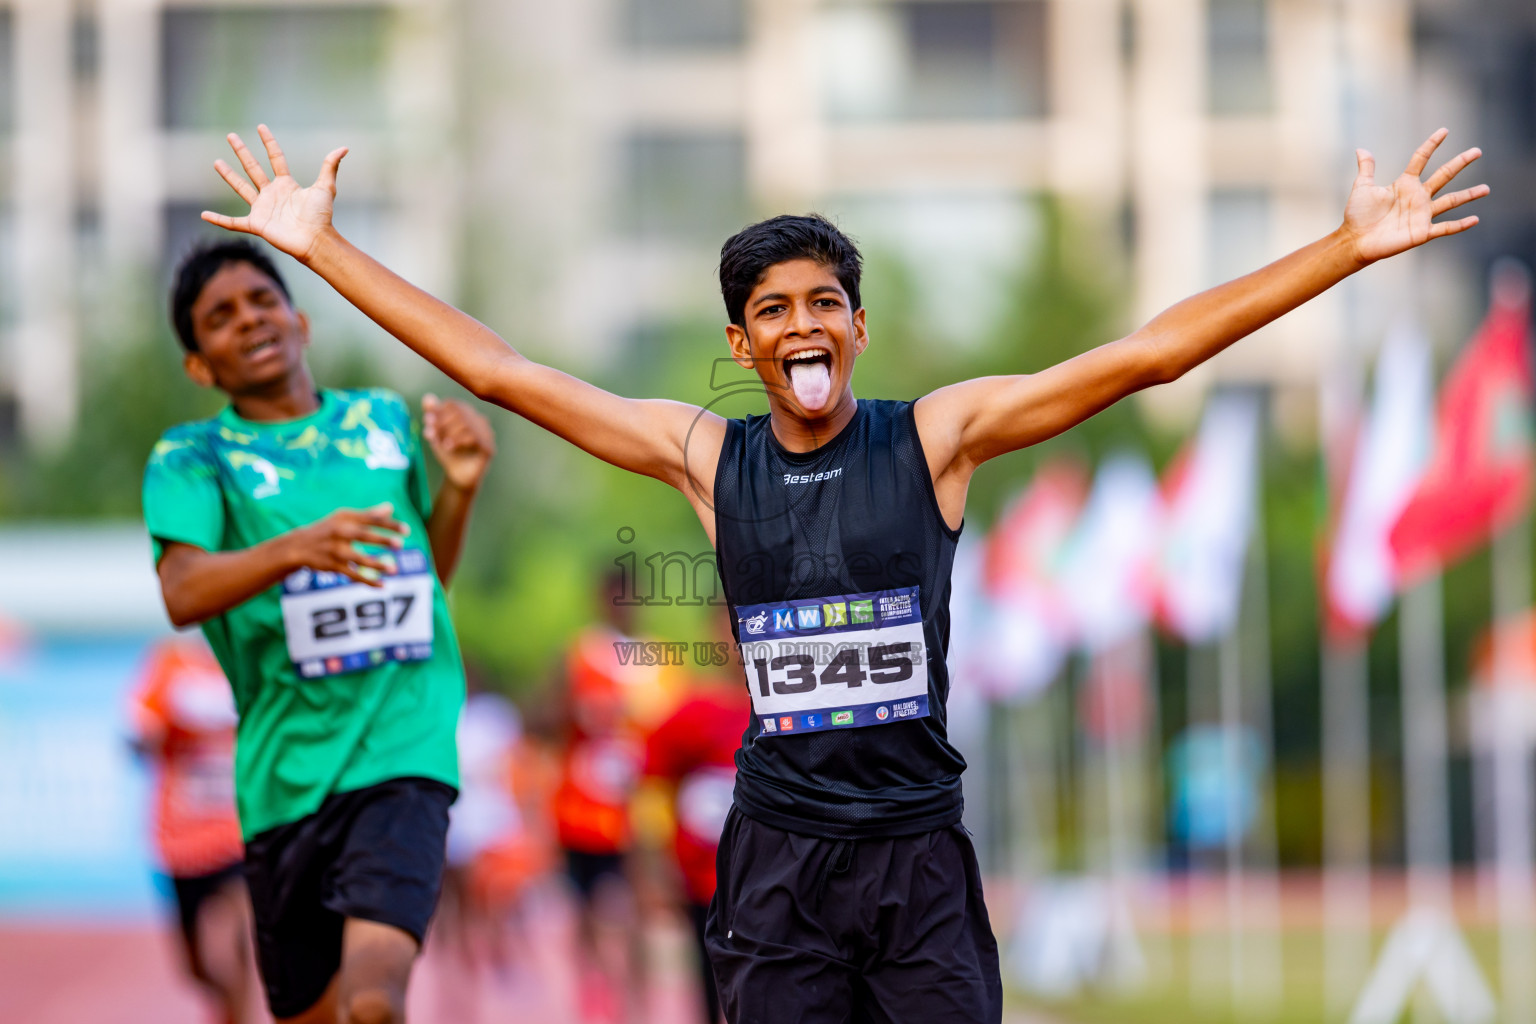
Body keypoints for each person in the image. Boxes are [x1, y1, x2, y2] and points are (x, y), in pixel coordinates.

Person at [201, 124, 1486, 1023]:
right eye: (773, 308)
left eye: (824, 302)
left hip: (917, 852)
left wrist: (1344, 249)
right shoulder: (704, 456)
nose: (802, 325)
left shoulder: (939, 435)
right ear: (741, 341)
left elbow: (1145, 356)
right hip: (778, 859)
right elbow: (504, 375)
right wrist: (321, 251)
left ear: (856, 326)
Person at [143, 238, 496, 1024]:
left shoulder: (380, 420)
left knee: (375, 998)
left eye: (262, 300)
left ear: (298, 319)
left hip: (404, 748)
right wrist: (297, 547)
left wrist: (459, 493)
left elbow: (421, 577)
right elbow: (183, 589)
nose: (249, 320)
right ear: (199, 365)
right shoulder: (192, 458)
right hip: (286, 778)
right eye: (220, 317)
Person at [128, 635, 256, 1024]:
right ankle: (226, 1005)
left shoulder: (252, 661)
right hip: (180, 843)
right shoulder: (171, 665)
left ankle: (239, 1015)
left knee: (240, 940)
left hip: (238, 835)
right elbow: (137, 738)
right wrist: (154, 736)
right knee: (196, 968)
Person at [642, 611, 751, 1024]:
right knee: (710, 986)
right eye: (729, 626)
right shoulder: (693, 711)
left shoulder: (787, 712)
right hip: (703, 883)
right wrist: (653, 863)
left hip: (767, 878)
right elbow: (653, 786)